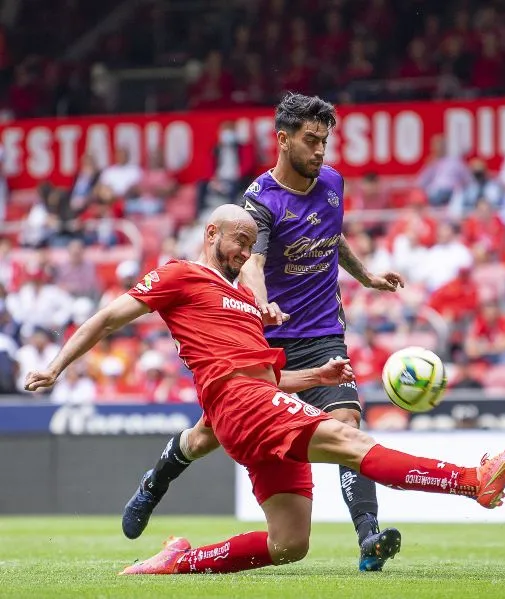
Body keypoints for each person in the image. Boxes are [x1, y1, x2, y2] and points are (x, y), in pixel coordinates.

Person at [24, 204, 505, 576]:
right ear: (211, 233)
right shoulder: (181, 275)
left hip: (253, 405)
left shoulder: (245, 300)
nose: (246, 252)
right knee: (351, 443)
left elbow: (264, 376)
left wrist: (315, 379)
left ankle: (180, 562)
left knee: (290, 544)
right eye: (238, 241)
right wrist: (56, 366)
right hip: (239, 406)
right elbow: (109, 317)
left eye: (251, 244)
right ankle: (471, 481)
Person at [121, 93, 410, 572]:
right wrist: (262, 302)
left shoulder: (333, 182)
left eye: (325, 141)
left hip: (322, 331)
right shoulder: (260, 200)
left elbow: (331, 234)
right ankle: (157, 479)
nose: (320, 151)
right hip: (267, 337)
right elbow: (252, 261)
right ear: (283, 139)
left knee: (347, 425)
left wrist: (366, 276)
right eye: (311, 140)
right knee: (203, 439)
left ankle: (369, 537)